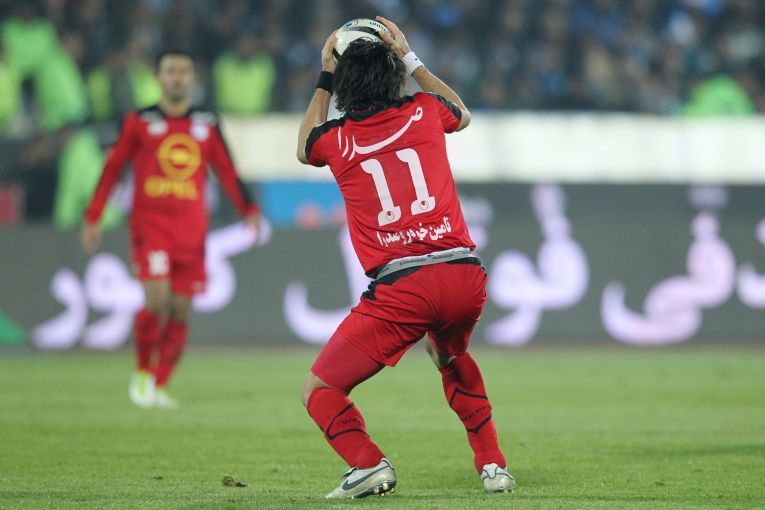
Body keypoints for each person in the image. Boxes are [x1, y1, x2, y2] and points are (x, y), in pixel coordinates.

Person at [296, 17, 515, 499]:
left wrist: (325, 74)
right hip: (463, 275)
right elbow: (463, 113)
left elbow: (303, 147)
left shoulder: (336, 140)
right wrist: (411, 59)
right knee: (448, 354)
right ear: (393, 73)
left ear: (345, 83)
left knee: (320, 390)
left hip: (404, 286)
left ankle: (367, 464)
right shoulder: (425, 111)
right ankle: (493, 465)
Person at [81, 49, 259, 409]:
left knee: (180, 309)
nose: (176, 77)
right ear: (159, 77)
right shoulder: (138, 121)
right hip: (151, 227)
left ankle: (159, 384)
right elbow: (113, 168)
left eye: (183, 71)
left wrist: (249, 209)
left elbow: (226, 169)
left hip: (191, 231)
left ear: (192, 78)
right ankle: (142, 373)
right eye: (170, 71)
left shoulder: (207, 123)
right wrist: (94, 215)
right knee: (156, 300)